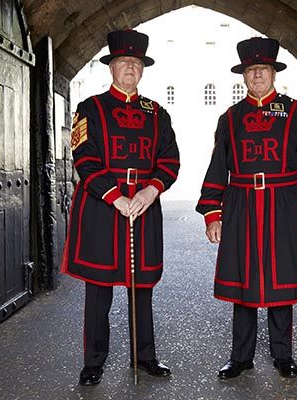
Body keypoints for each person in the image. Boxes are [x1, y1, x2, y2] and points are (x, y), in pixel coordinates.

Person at [196, 37, 297, 379]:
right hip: (241, 204)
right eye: (251, 70)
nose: (257, 76)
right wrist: (213, 212)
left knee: (280, 282)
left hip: (286, 206)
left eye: (263, 70)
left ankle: (282, 355)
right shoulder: (230, 118)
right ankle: (240, 357)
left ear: (273, 73)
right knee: (244, 283)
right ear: (244, 76)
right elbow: (217, 167)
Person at [61, 29, 179, 386]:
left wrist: (151, 191)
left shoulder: (157, 113)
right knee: (99, 289)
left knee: (141, 287)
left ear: (142, 69)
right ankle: (94, 361)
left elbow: (169, 161)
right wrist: (116, 196)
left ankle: (145, 357)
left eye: (136, 62)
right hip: (102, 207)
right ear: (111, 67)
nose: (130, 66)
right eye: (122, 61)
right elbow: (84, 159)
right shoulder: (90, 109)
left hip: (143, 205)